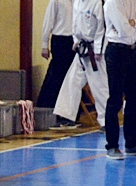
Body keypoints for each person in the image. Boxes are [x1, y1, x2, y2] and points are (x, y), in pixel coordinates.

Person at [102, 0, 136, 159]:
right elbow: (124, 30)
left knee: (134, 98)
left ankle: (131, 143)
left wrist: (135, 23)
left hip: (131, 51)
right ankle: (112, 145)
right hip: (115, 51)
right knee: (115, 99)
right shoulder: (112, 3)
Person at [53, 0, 110, 131]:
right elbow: (75, 24)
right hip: (81, 48)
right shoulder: (78, 2)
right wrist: (76, 41)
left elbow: (101, 28)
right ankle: (66, 116)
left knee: (99, 86)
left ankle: (107, 121)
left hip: (95, 52)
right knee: (72, 81)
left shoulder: (96, 3)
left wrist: (98, 50)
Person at [39, 0, 77, 118]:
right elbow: (48, 20)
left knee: (71, 78)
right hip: (60, 40)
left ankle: (68, 114)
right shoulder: (56, 1)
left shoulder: (80, 2)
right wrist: (44, 45)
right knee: (56, 76)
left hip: (74, 41)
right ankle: (47, 109)